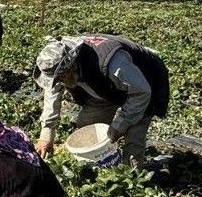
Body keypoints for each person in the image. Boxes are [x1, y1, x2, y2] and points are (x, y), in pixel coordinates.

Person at [32, 33, 170, 167]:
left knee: (133, 136)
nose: (59, 82)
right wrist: (46, 133)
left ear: (71, 68)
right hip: (106, 87)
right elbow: (52, 93)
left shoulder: (113, 63)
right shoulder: (60, 66)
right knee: (87, 126)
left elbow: (141, 92)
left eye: (61, 78)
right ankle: (98, 163)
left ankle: (130, 174)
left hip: (145, 83)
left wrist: (120, 124)